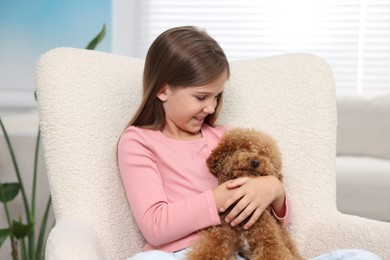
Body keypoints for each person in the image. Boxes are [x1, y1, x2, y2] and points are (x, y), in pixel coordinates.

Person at [117, 26, 381, 260]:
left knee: (363, 256)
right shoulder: (138, 141)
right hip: (181, 254)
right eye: (201, 97)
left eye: (217, 97)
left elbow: (274, 222)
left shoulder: (226, 138)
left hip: (241, 251)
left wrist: (274, 190)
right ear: (163, 90)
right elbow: (155, 225)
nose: (210, 107)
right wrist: (221, 197)